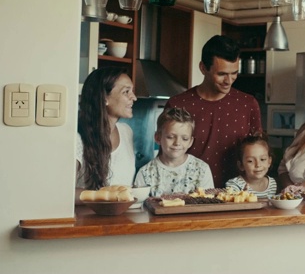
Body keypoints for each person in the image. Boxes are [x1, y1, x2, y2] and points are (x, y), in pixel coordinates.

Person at [165, 35, 262, 187]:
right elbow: (166, 158)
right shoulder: (178, 104)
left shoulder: (248, 104)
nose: (229, 81)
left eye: (234, 73)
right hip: (190, 195)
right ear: (203, 68)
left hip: (238, 197)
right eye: (222, 74)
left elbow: (259, 153)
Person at [75, 67, 137, 198]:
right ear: (104, 98)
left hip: (123, 216)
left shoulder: (126, 132)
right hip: (88, 217)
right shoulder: (77, 139)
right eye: (126, 92)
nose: (134, 98)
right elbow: (64, 192)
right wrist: (108, 197)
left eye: (132, 91)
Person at [134, 107, 214, 196]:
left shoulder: (202, 170)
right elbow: (139, 207)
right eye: (170, 137)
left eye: (185, 138)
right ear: (157, 137)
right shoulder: (145, 173)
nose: (177, 143)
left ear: (190, 142)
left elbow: (208, 205)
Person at [225, 133, 278, 198]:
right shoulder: (234, 185)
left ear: (269, 162)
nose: (258, 165)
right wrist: (241, 196)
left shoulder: (272, 183)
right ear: (241, 165)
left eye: (262, 159)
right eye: (250, 161)